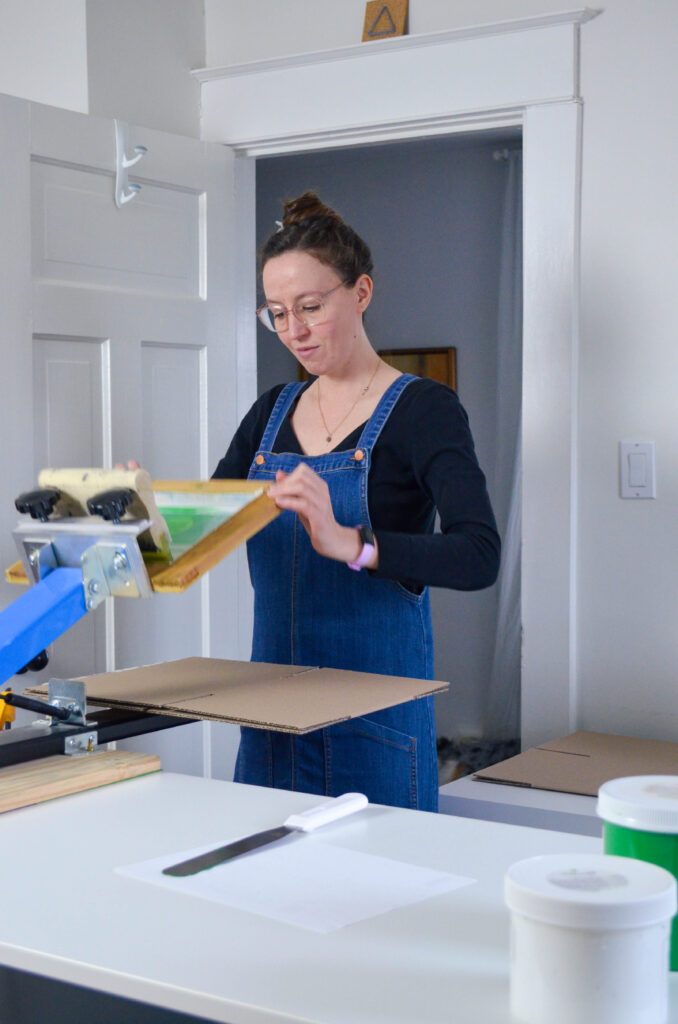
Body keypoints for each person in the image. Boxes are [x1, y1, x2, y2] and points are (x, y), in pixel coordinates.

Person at [213, 191, 500, 812]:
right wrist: (142, 510)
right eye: (278, 314)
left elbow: (479, 555)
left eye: (311, 307)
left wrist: (355, 545)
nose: (295, 331)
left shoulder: (424, 409)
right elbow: (205, 528)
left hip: (375, 730)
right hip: (273, 720)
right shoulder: (270, 413)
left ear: (361, 292)